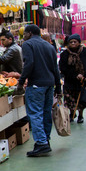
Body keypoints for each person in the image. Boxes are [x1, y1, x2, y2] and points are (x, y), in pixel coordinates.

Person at [14, 24, 62, 157]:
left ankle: (41, 143)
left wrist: (21, 82)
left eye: (24, 34)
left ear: (29, 33)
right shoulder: (49, 46)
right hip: (49, 85)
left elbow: (29, 64)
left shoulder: (28, 44)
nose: (23, 37)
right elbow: (55, 68)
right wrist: (58, 87)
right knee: (46, 113)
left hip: (36, 85)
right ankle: (45, 140)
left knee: (35, 113)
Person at [58, 34, 86, 124]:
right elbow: (63, 68)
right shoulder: (64, 54)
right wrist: (75, 75)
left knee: (81, 99)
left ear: (79, 42)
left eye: (75, 42)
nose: (73, 43)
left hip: (83, 81)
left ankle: (80, 115)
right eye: (71, 42)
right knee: (69, 99)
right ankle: (71, 114)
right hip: (70, 81)